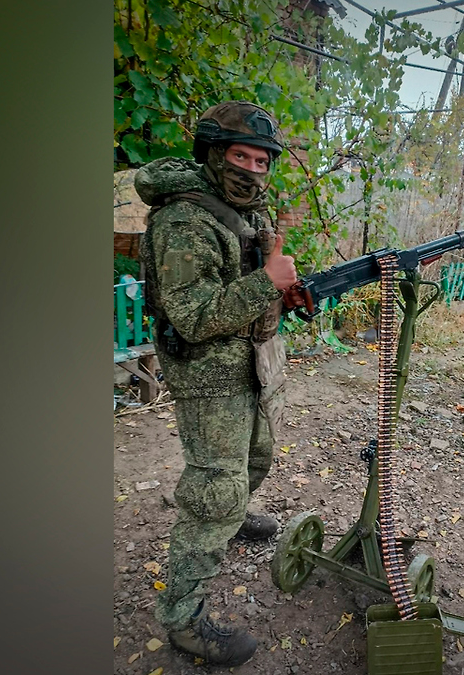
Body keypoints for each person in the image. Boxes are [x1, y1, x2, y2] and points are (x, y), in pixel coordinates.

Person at [134, 101, 297, 667]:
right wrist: (266, 283)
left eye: (262, 159)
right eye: (240, 155)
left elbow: (251, 278)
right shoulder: (184, 219)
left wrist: (282, 288)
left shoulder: (241, 209)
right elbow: (193, 315)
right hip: (208, 376)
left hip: (248, 362)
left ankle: (232, 512)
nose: (252, 169)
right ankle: (183, 618)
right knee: (214, 493)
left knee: (257, 457)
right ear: (212, 153)